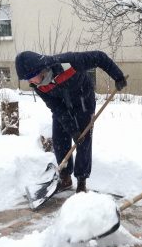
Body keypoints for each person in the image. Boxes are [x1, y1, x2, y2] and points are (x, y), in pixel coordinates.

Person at [15, 50, 127, 193]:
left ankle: (82, 181)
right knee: (59, 139)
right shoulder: (38, 86)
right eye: (26, 79)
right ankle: (65, 177)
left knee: (84, 140)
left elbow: (99, 57)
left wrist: (117, 76)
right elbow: (56, 107)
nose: (30, 81)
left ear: (40, 69)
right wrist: (72, 129)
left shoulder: (67, 62)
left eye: (30, 76)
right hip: (62, 107)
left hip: (83, 102)